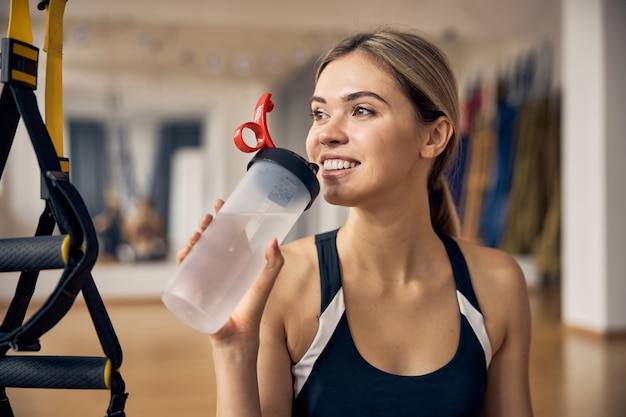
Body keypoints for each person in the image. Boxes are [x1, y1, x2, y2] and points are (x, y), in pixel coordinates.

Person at [178, 27, 533, 417]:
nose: (325, 134)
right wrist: (233, 349)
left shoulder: (497, 284)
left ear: (433, 136)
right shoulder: (283, 282)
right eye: (320, 113)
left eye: (361, 110)